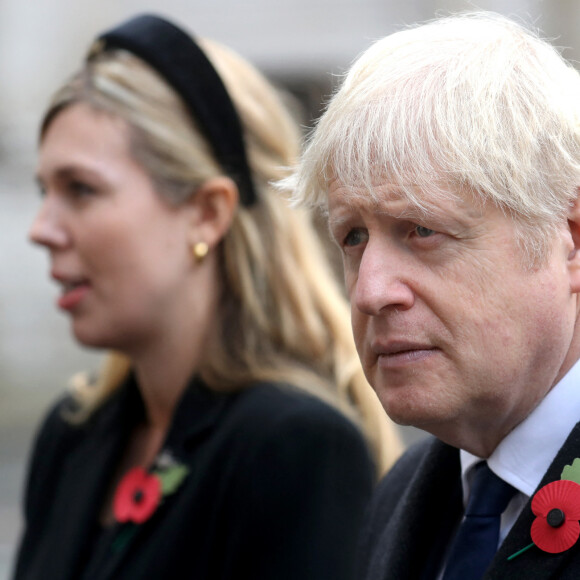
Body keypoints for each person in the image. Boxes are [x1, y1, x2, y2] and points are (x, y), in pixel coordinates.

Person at [13, 13, 402, 580]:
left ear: (206, 212)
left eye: (81, 189)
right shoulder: (75, 434)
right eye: (45, 191)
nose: (41, 228)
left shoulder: (294, 446)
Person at [289, 10, 580, 580]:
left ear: (569, 239)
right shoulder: (401, 494)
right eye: (353, 237)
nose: (371, 291)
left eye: (422, 231)